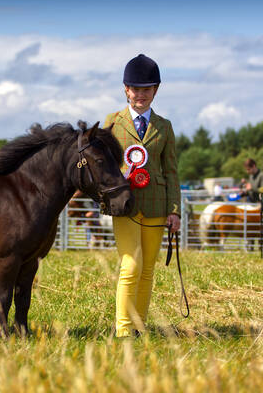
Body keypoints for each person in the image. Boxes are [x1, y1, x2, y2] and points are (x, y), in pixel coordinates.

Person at [103, 54, 181, 337]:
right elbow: (103, 167)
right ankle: (123, 329)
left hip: (157, 204)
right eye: (135, 89)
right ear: (126, 89)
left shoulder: (165, 127)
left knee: (147, 268)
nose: (140, 95)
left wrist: (174, 210)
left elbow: (171, 171)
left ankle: (138, 326)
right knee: (131, 264)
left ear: (156, 90)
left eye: (147, 89)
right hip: (124, 204)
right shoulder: (112, 122)